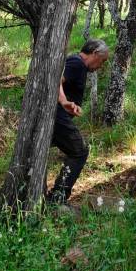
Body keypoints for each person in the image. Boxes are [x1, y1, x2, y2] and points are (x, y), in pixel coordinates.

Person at [45, 39, 110, 204]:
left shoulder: (76, 64)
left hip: (55, 114)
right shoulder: (77, 63)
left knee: (42, 151)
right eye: (102, 61)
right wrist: (64, 101)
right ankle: (58, 197)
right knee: (79, 151)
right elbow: (56, 80)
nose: (100, 66)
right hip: (56, 115)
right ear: (94, 53)